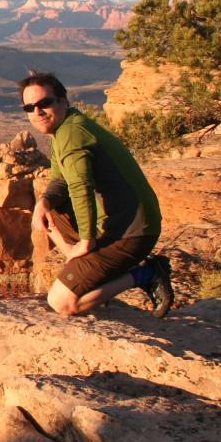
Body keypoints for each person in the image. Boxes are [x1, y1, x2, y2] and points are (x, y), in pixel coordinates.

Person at [20, 72, 173, 318]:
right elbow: (60, 181)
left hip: (132, 233)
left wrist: (87, 240)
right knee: (52, 209)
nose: (37, 111)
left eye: (45, 103)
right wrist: (44, 202)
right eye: (30, 107)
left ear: (63, 101)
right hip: (125, 225)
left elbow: (81, 187)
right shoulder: (65, 129)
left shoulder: (71, 134)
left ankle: (147, 274)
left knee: (62, 303)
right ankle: (84, 270)